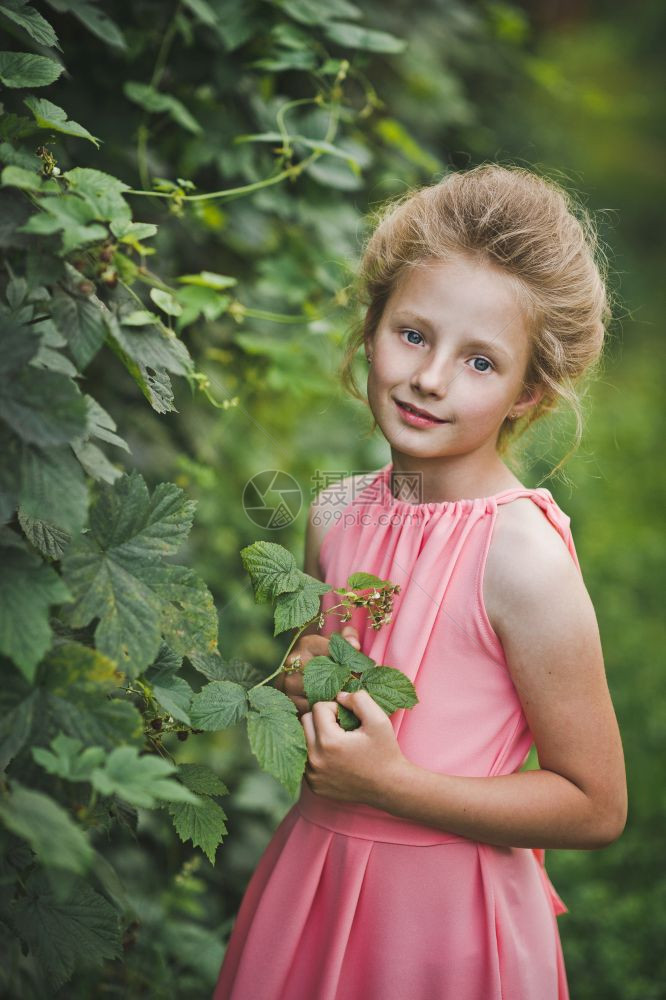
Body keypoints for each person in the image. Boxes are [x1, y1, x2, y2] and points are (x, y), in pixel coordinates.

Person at [213, 164, 627, 1000]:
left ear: (528, 392)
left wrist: (393, 784)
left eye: (481, 362)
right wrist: (306, 680)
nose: (431, 378)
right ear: (370, 328)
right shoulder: (335, 513)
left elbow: (594, 805)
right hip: (317, 880)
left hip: (447, 921)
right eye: (412, 334)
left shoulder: (521, 556)